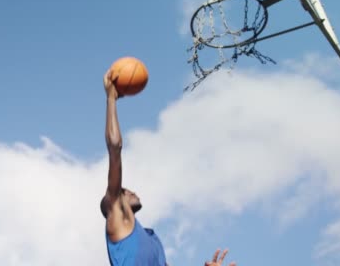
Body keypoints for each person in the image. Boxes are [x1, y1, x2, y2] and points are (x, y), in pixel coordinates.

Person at [100, 69, 237, 266]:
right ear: (115, 202)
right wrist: (111, 98)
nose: (133, 191)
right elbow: (115, 147)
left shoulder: (152, 240)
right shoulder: (117, 219)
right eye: (126, 191)